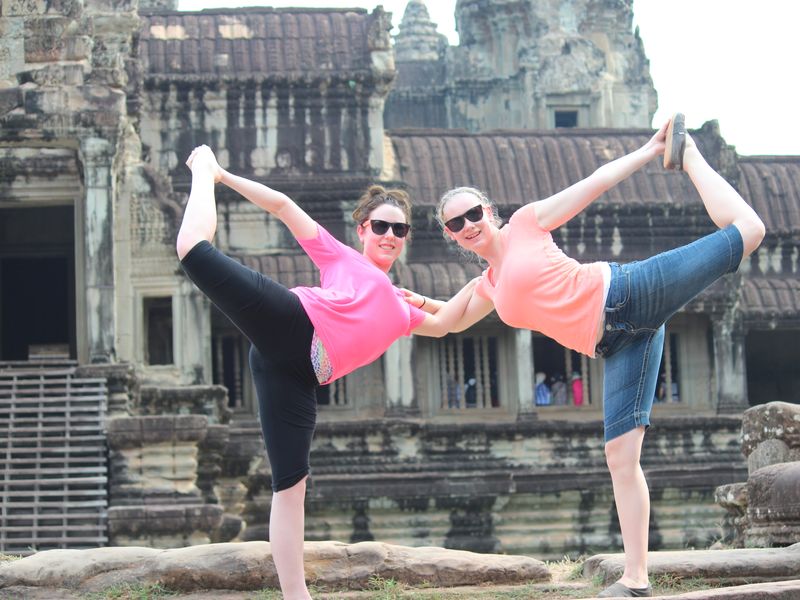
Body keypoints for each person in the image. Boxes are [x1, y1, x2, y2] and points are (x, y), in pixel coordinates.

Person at [404, 115, 765, 597]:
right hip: (618, 344)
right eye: (456, 223)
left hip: (630, 292)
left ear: (489, 211)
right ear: (450, 234)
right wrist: (396, 304)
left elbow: (592, 184)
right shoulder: (485, 286)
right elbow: (444, 322)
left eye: (473, 214)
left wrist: (650, 151)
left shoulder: (528, 224)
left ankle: (690, 155)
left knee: (749, 231)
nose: (467, 225)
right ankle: (636, 580)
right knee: (620, 455)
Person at [176, 145, 476, 600]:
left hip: (299, 376)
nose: (390, 235)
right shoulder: (342, 257)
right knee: (193, 252)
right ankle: (202, 169)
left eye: (399, 228)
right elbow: (283, 207)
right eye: (381, 226)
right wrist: (223, 175)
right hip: (292, 320)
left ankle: (296, 596)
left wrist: (486, 282)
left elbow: (448, 321)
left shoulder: (404, 309)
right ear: (363, 231)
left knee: (290, 485)